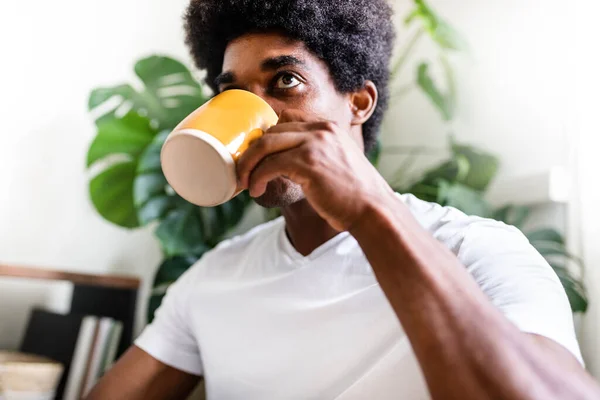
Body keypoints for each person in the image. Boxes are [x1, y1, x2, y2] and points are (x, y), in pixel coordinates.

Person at [89, 0, 600, 399]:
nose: (256, 113)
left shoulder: (480, 252)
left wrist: (367, 208)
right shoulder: (212, 280)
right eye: (232, 94)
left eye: (285, 81)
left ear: (358, 102)